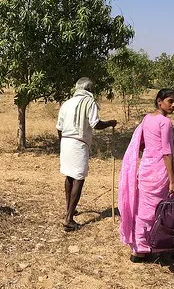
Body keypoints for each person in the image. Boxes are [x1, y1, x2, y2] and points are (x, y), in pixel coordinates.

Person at [118, 88, 174, 262]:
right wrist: (172, 180)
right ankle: (173, 246)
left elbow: (142, 144)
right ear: (159, 101)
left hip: (146, 169)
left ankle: (139, 249)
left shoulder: (147, 118)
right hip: (160, 171)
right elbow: (166, 152)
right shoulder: (165, 123)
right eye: (170, 101)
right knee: (167, 208)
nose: (173, 105)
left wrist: (151, 150)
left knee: (144, 210)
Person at [56, 77, 117, 232]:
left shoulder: (67, 103)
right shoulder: (90, 102)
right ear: (90, 89)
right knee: (78, 178)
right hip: (79, 143)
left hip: (66, 141)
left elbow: (59, 127)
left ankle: (69, 209)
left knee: (69, 175)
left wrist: (62, 142)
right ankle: (69, 219)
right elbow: (95, 124)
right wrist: (110, 123)